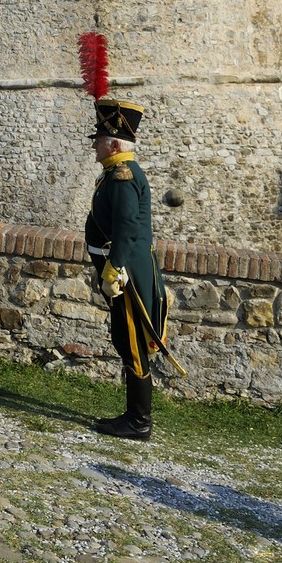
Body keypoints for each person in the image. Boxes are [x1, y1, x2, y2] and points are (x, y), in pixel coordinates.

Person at [84, 98, 169, 441]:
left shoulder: (121, 177)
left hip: (126, 275)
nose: (94, 145)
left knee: (131, 341)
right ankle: (135, 416)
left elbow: (126, 229)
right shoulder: (116, 173)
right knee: (125, 338)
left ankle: (139, 422)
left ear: (115, 144)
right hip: (123, 270)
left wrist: (113, 269)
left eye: (99, 140)